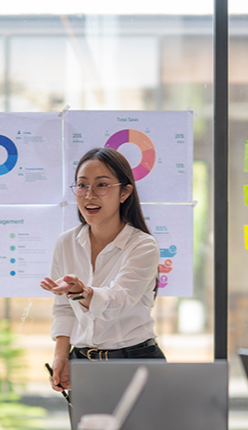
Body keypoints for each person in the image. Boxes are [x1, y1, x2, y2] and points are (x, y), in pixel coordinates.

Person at [41, 147, 165, 393]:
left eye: (102, 185)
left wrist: (83, 292)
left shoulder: (143, 245)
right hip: (82, 364)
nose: (89, 195)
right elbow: (64, 308)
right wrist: (62, 356)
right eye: (82, 185)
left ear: (124, 192)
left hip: (136, 362)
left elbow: (118, 301)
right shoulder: (65, 242)